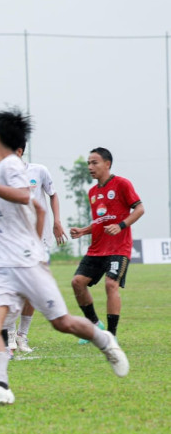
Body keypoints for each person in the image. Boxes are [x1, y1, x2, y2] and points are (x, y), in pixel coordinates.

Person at [0, 109, 128, 405]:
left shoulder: (10, 166)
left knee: (62, 322)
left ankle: (105, 340)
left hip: (23, 261)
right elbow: (36, 210)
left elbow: (22, 196)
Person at [69, 147, 144, 344]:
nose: (90, 167)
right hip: (97, 248)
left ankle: (111, 335)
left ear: (107, 164)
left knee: (111, 284)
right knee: (77, 282)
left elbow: (140, 209)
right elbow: (100, 223)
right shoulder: (93, 192)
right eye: (88, 163)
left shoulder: (121, 184)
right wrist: (84, 231)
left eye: (94, 163)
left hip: (119, 248)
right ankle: (94, 324)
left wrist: (121, 226)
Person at [4, 147, 67, 354]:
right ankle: (11, 336)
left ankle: (22, 336)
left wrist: (56, 221)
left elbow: (53, 195)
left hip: (39, 240)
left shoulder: (39, 171)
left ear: (19, 151)